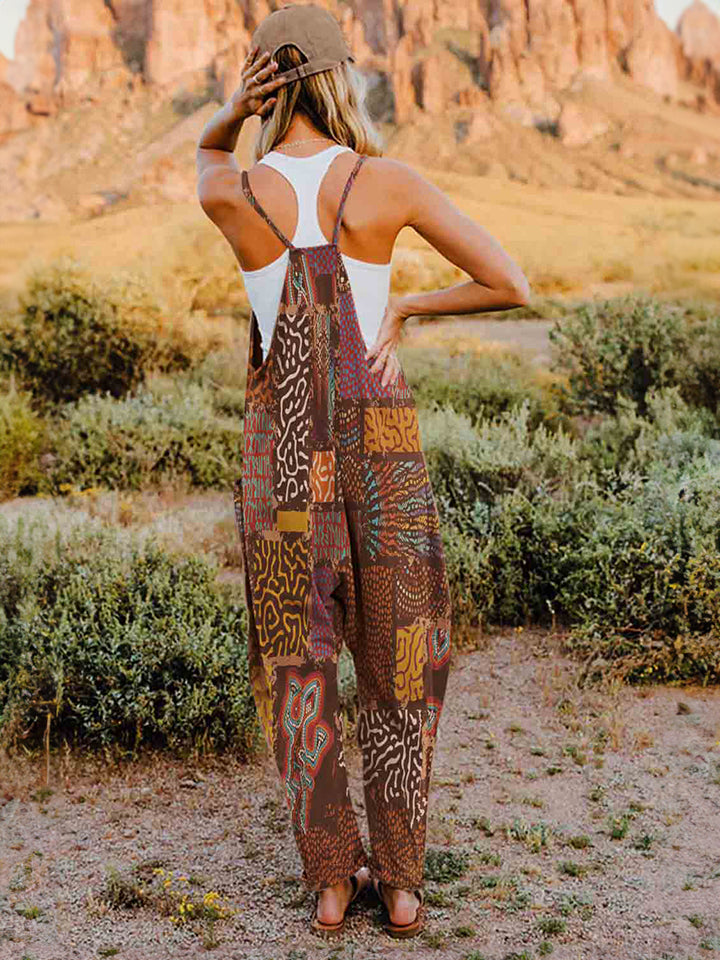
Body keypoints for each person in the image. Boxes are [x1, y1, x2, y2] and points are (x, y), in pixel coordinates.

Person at [196, 3, 531, 941]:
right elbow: (512, 281)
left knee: (297, 664)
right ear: (342, 78)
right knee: (402, 654)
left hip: (282, 467)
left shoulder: (235, 191)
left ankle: (332, 883)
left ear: (268, 83)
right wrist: (410, 305)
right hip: (382, 456)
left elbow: (204, 161)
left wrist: (231, 112)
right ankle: (406, 882)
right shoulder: (387, 181)